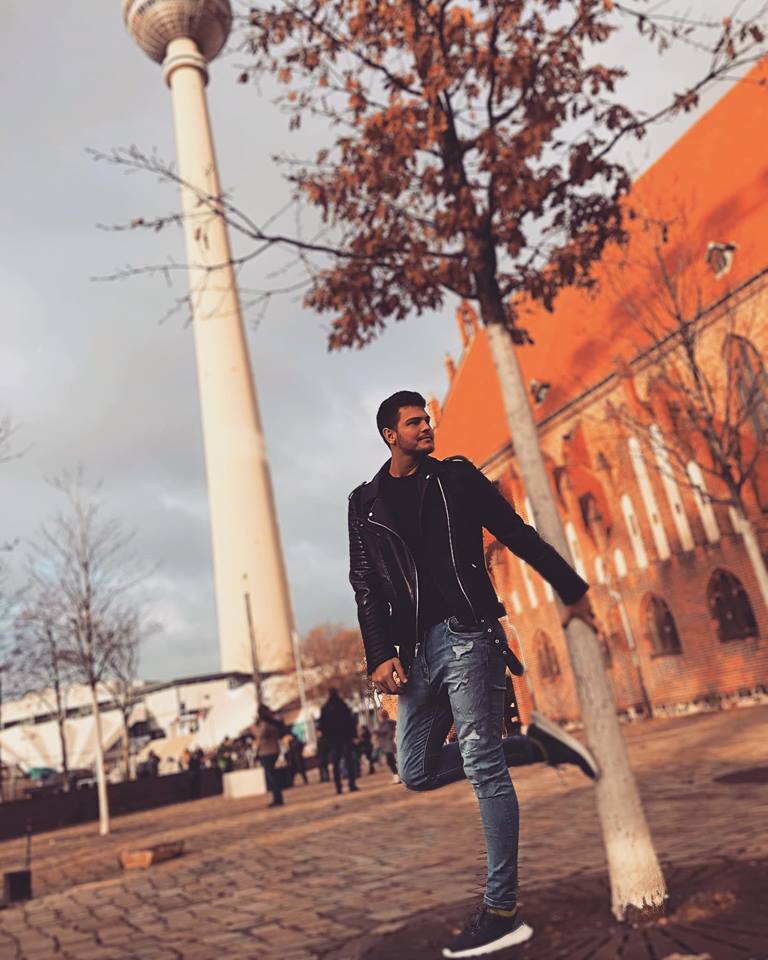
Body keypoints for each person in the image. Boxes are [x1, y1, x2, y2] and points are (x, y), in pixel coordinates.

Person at [347, 390, 599, 959]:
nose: (426, 427)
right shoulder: (364, 503)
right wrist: (379, 653)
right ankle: (535, 746)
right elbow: (365, 585)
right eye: (414, 422)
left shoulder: (456, 478)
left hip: (468, 634)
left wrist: (572, 589)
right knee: (414, 771)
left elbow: (516, 532)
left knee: (484, 765)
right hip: (413, 654)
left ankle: (502, 910)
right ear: (390, 435)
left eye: (427, 418)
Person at [319, 688, 359, 795]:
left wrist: (327, 737)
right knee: (349, 762)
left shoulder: (325, 708)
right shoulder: (342, 705)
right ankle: (351, 784)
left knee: (335, 764)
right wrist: (353, 735)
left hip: (333, 740)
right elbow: (350, 721)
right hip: (345, 738)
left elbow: (322, 726)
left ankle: (338, 787)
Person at [253, 703, 286, 808]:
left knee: (271, 776)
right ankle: (278, 797)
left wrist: (254, 728)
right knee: (273, 775)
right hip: (274, 749)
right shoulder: (274, 722)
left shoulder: (265, 723)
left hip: (266, 752)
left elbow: (261, 735)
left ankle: (277, 798)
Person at [374, 708, 399, 783]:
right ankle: (397, 776)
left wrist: (377, 732)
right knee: (392, 760)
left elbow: (386, 732)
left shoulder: (386, 724)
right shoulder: (391, 723)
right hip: (390, 744)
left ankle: (397, 777)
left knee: (391, 761)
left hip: (388, 745)